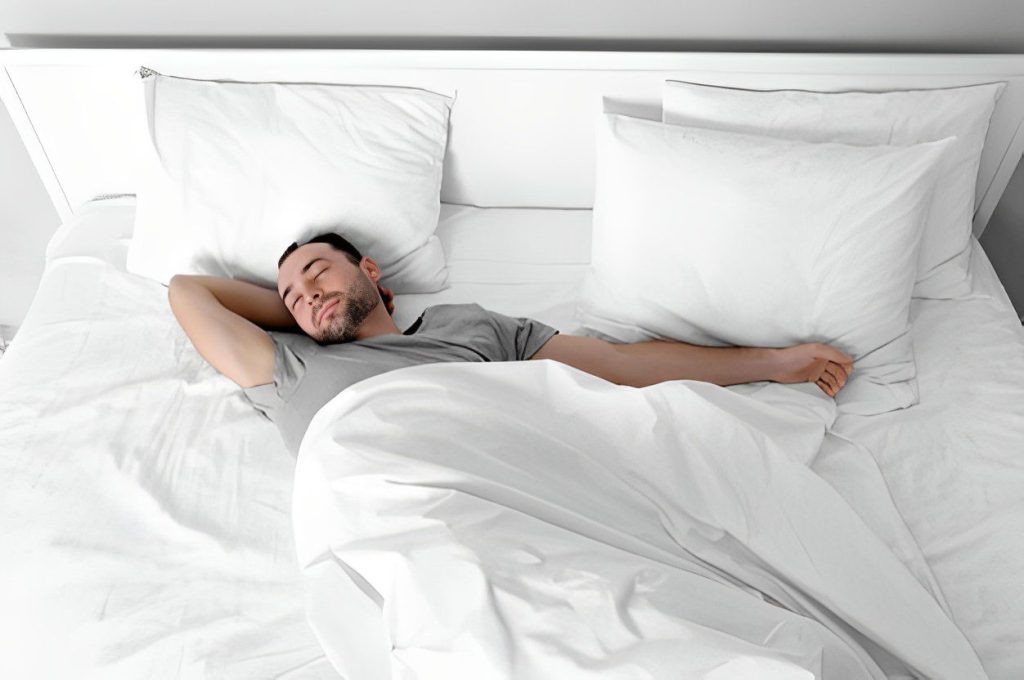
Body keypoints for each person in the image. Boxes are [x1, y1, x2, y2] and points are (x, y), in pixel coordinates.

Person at [168, 232, 853, 456]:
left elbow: (621, 367)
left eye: (317, 271)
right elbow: (186, 293)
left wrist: (774, 362)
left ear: (370, 272)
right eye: (287, 295)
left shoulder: (466, 327)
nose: (304, 292)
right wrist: (304, 312)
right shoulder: (285, 367)